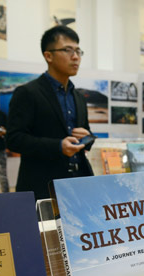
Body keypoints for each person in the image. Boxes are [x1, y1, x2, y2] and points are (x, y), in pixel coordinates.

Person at [6, 25, 94, 199]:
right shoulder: (28, 93)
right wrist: (58, 146)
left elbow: (85, 133)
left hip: (80, 184)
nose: (75, 57)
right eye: (68, 50)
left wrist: (88, 138)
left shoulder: (78, 97)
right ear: (48, 56)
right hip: (43, 185)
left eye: (78, 51)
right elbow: (14, 139)